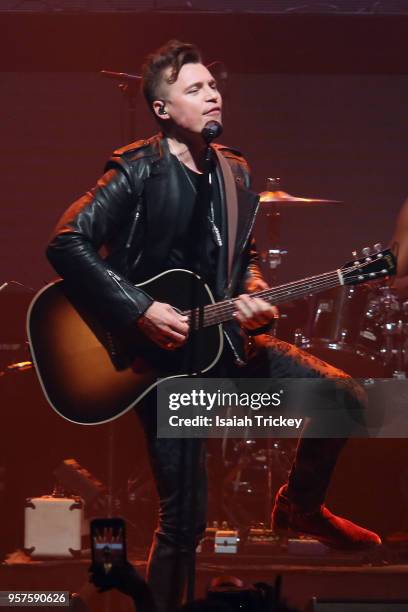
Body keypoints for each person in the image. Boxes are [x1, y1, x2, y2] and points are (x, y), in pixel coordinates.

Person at [46, 40, 381, 612]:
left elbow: (242, 257)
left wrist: (254, 294)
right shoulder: (136, 169)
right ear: (161, 109)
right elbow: (66, 241)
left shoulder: (235, 170)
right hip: (157, 361)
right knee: (185, 521)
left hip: (223, 339)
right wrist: (139, 309)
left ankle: (299, 506)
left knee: (343, 397)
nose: (212, 95)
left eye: (214, 86)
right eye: (194, 88)